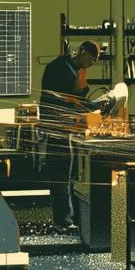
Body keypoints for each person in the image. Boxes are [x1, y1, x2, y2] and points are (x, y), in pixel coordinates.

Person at [38, 40, 109, 230]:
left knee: (66, 175)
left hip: (66, 129)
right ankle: (62, 221)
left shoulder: (76, 71)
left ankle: (68, 218)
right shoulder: (59, 68)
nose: (91, 64)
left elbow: (76, 100)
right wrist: (92, 105)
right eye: (91, 60)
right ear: (82, 52)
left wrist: (91, 105)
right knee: (60, 176)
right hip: (56, 129)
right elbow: (66, 101)